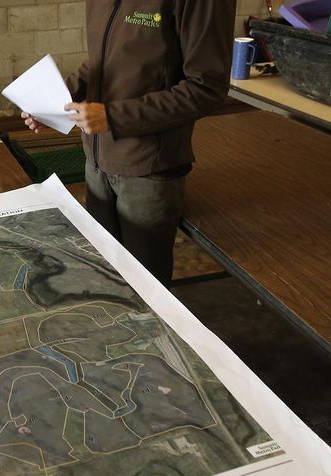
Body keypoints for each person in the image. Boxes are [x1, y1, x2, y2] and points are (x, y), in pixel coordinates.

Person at [23, 0, 236, 286]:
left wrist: (114, 116)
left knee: (147, 289)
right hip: (96, 160)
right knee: (106, 275)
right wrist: (56, 99)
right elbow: (103, 59)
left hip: (148, 169)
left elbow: (206, 87)